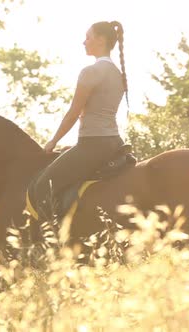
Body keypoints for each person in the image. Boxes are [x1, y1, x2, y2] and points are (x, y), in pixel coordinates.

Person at [28, 20, 129, 220]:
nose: (84, 42)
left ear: (101, 40)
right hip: (114, 142)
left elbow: (74, 113)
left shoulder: (91, 72)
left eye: (88, 37)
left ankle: (52, 240)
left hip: (92, 144)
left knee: (42, 187)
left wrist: (52, 141)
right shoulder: (119, 74)